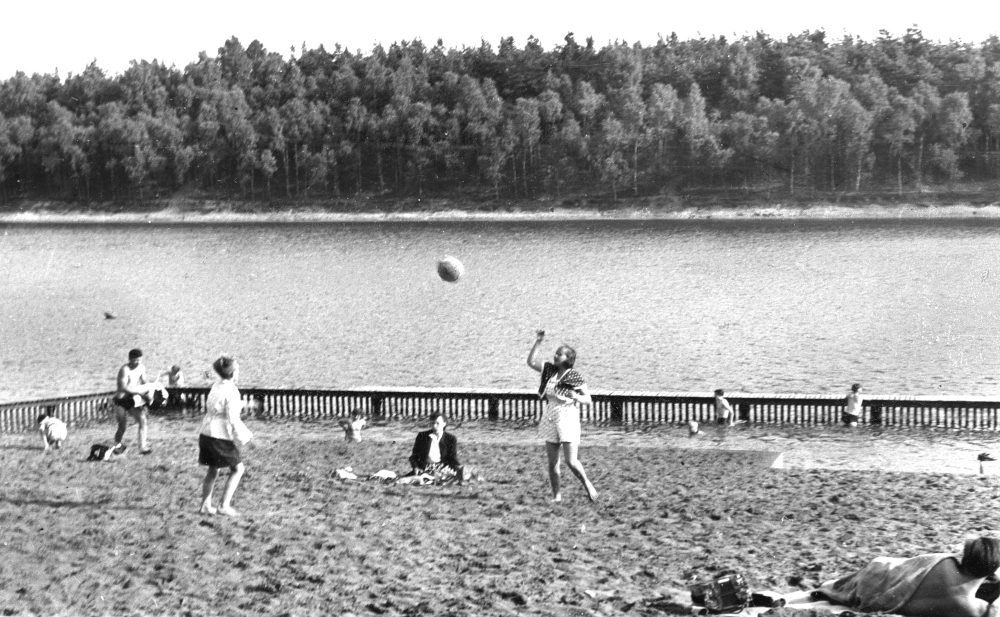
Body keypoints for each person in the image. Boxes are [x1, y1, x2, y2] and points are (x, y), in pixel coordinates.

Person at [813, 536, 1000, 617]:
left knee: (882, 564)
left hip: (873, 584)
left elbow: (902, 568)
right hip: (879, 594)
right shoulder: (974, 609)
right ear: (991, 573)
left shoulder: (945, 563)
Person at [527, 330, 598, 503]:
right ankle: (556, 496)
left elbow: (588, 399)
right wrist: (538, 342)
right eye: (556, 353)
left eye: (560, 354)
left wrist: (576, 397)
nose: (556, 356)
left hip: (568, 417)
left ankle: (587, 484)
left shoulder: (573, 375)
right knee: (552, 462)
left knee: (571, 461)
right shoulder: (549, 370)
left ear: (568, 359)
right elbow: (530, 362)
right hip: (550, 414)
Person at [198, 356, 253, 517]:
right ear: (233, 372)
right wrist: (246, 438)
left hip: (206, 432)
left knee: (212, 469)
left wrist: (244, 404)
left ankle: (205, 506)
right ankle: (224, 505)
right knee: (238, 469)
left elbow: (221, 406)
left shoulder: (216, 385)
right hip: (219, 436)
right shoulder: (232, 391)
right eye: (237, 370)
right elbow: (233, 419)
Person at [112, 348, 162, 454]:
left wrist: (151, 387)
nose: (138, 363)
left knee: (142, 420)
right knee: (122, 426)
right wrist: (140, 394)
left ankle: (142, 447)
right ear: (130, 359)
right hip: (121, 400)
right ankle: (116, 446)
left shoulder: (141, 367)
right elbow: (123, 387)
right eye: (136, 360)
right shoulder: (124, 369)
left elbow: (144, 381)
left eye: (140, 360)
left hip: (132, 399)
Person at [408, 412, 461, 477]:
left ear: (444, 424)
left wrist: (458, 468)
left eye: (437, 423)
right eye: (432, 423)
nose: (434, 426)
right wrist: (416, 468)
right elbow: (413, 457)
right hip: (424, 468)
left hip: (443, 469)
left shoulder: (450, 439)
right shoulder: (422, 436)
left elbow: (452, 459)